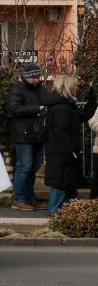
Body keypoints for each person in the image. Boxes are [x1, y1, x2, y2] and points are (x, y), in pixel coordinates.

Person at [6, 63, 48, 211]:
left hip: (37, 134)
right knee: (25, 166)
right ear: (26, 76)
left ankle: (29, 198)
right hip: (23, 134)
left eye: (37, 77)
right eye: (33, 78)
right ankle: (19, 199)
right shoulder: (17, 88)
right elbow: (14, 109)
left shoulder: (40, 89)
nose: (36, 80)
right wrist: (38, 109)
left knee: (33, 166)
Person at [43, 74, 84, 215]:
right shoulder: (62, 107)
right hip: (61, 151)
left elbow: (81, 117)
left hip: (60, 149)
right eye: (74, 86)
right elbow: (61, 131)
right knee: (60, 181)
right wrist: (70, 150)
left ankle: (70, 209)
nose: (76, 89)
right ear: (68, 87)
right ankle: (55, 210)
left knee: (67, 181)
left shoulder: (64, 105)